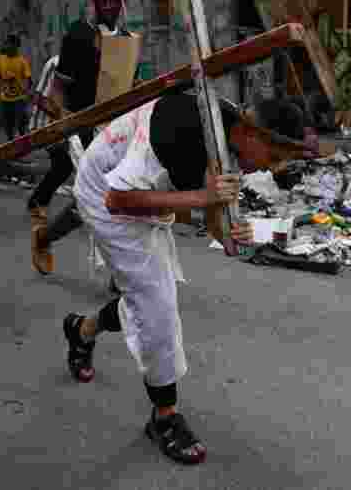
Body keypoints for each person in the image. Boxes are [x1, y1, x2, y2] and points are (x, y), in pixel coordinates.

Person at [61, 92, 310, 465]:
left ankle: (82, 330)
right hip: (105, 197)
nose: (270, 169)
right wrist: (200, 197)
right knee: (158, 310)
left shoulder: (229, 144)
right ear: (250, 133)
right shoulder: (179, 128)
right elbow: (118, 199)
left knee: (149, 299)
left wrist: (228, 235)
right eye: (272, 157)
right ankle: (164, 417)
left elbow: (211, 209)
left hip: (143, 197)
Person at [27, 0, 140, 272]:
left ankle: (46, 237)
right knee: (100, 198)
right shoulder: (78, 34)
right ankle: (119, 275)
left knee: (107, 198)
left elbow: (131, 89)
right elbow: (60, 87)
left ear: (122, 1)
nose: (109, 6)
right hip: (82, 127)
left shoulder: (129, 38)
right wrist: (60, 126)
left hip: (118, 128)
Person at [0, 33, 31, 143]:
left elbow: (29, 80)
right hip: (5, 99)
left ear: (16, 46)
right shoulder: (0, 59)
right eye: (6, 43)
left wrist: (25, 91)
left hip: (19, 99)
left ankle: (24, 146)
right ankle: (10, 148)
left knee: (21, 125)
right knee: (8, 126)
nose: (7, 46)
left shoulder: (22, 61)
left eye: (10, 44)